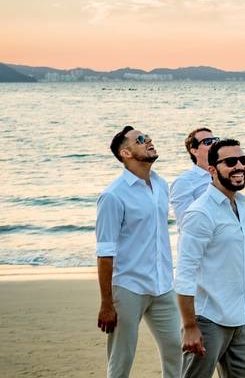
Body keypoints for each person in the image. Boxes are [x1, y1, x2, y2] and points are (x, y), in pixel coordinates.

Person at [176, 139, 245, 378]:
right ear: (212, 170)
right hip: (207, 319)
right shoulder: (201, 213)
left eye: (244, 160)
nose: (240, 167)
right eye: (230, 162)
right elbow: (184, 273)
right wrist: (190, 326)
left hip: (241, 318)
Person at [96, 126, 181, 378]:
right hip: (128, 287)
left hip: (163, 285)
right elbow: (104, 252)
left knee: (176, 348)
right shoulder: (113, 195)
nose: (149, 141)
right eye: (141, 140)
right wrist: (106, 303)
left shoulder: (161, 185)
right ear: (126, 152)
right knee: (121, 359)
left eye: (149, 137)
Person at [171, 127, 217, 224]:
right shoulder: (184, 181)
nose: (214, 144)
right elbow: (186, 222)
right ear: (194, 151)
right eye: (208, 142)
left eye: (215, 140)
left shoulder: (223, 174)